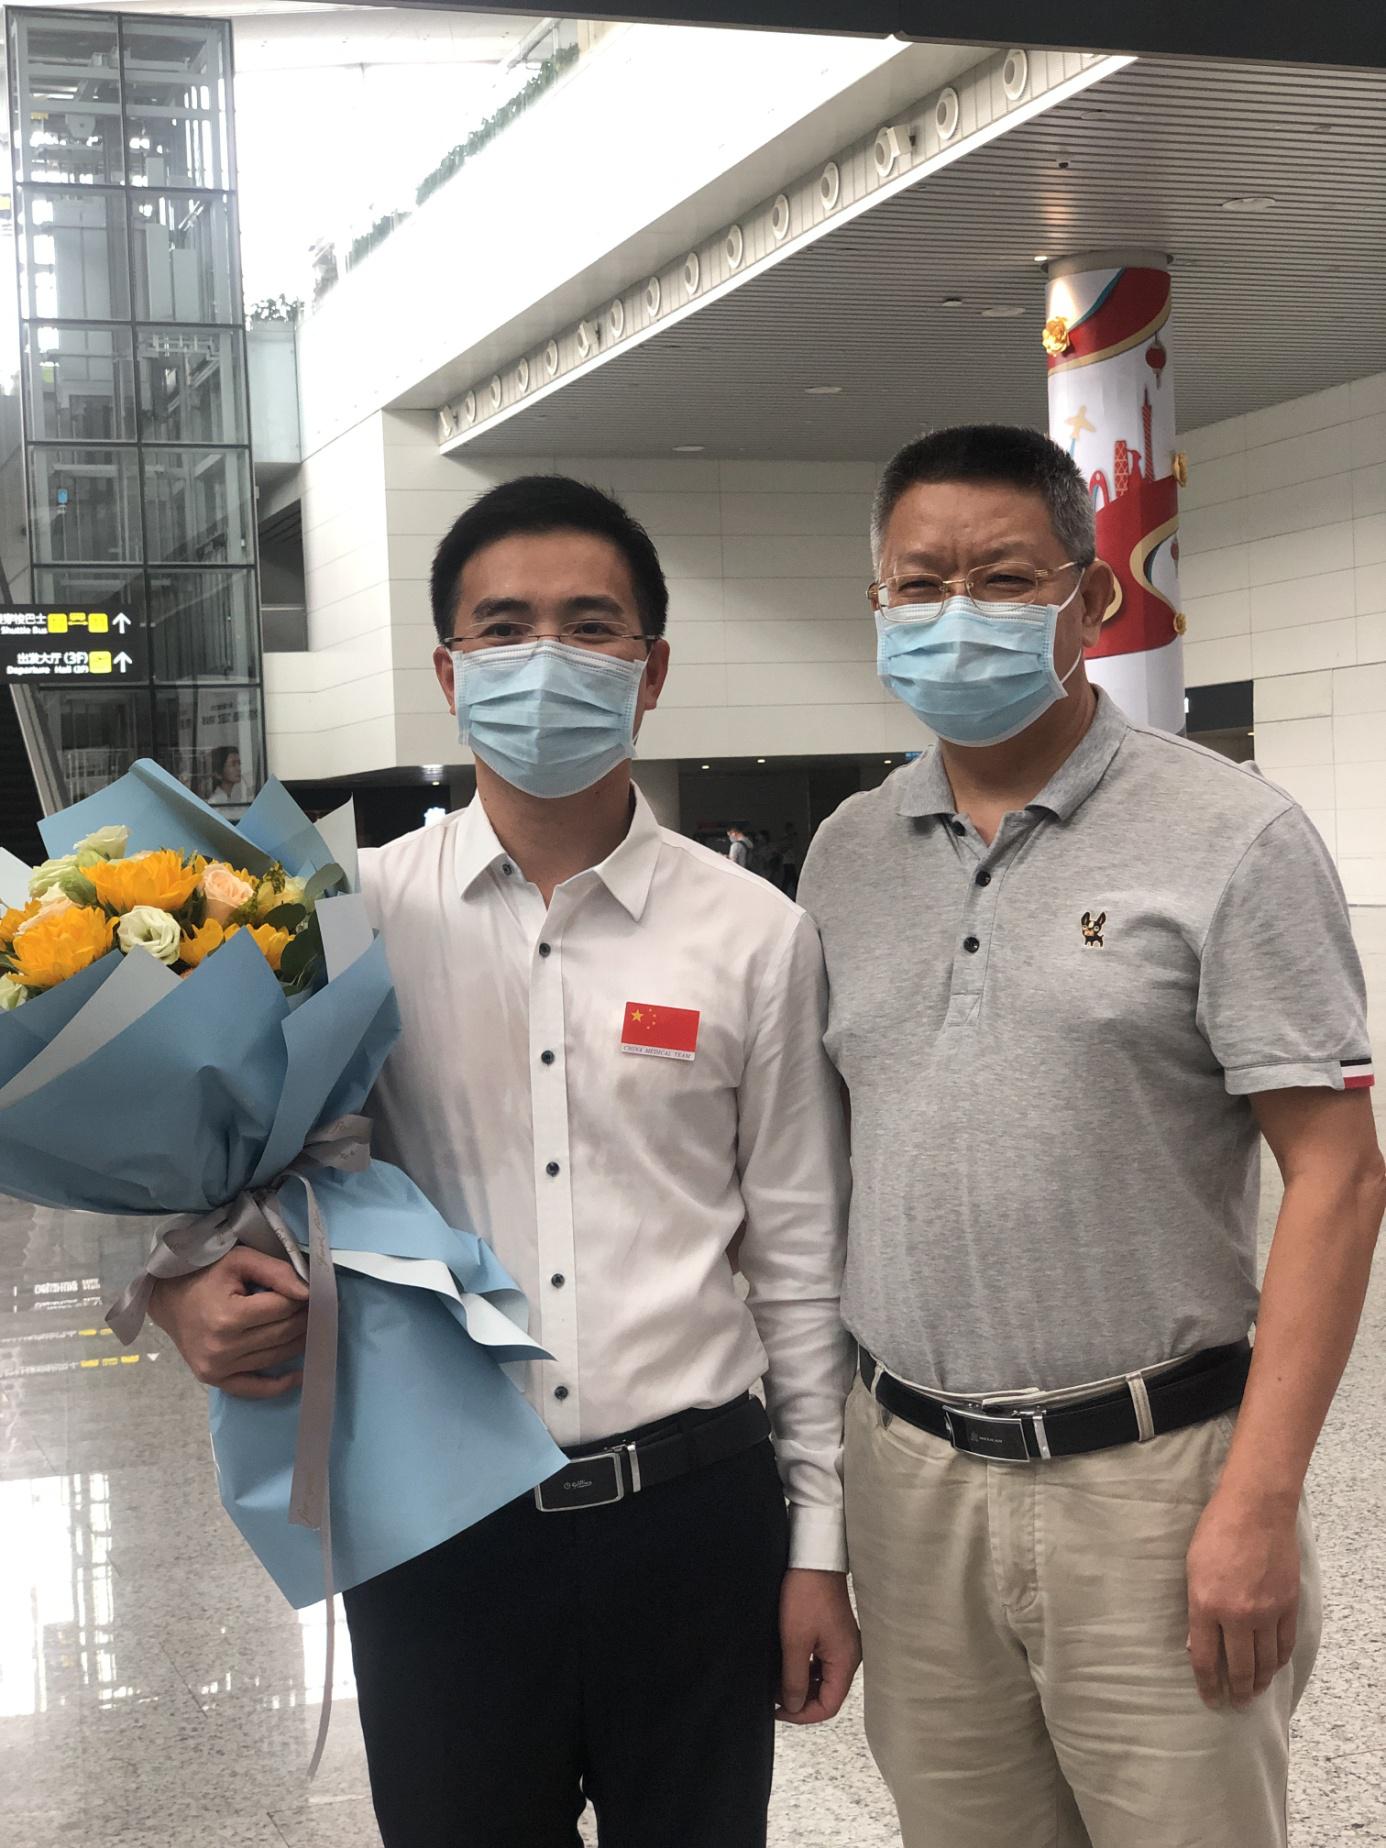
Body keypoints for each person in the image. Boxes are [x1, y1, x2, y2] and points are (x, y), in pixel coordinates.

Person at [149, 475, 859, 1848]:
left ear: (651, 671)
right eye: (504, 626)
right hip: (438, 1527)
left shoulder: (754, 934)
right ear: (447, 671)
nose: (547, 659)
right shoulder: (347, 922)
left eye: (590, 627)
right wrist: (183, 1292)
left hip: (694, 1520)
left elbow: (795, 1258)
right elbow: (246, 1175)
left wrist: (817, 1546)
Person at [797, 424, 1385, 1848]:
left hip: (1156, 1479)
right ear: (877, 601)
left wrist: (1258, 1500)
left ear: (1094, 596)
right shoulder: (845, 854)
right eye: (918, 584)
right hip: (911, 1482)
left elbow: (1338, 1173)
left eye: (1003, 578)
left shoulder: (1231, 835)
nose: (955, 613)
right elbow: (817, 1180)